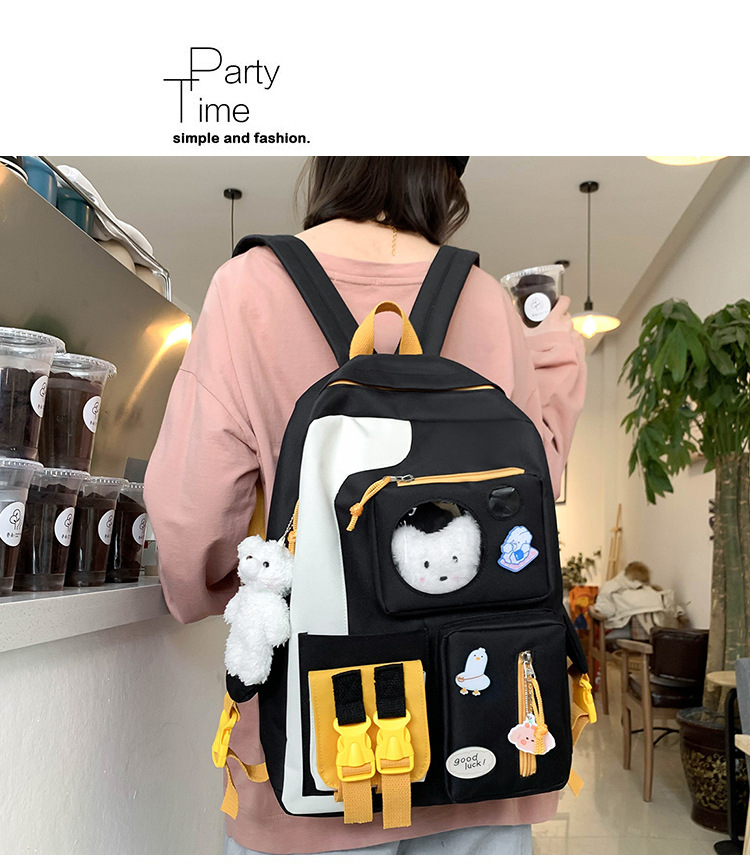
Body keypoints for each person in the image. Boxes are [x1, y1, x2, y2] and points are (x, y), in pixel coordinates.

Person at [144, 156, 587, 855]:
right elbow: (532, 501)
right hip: (486, 752)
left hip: (318, 753)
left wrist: (233, 590)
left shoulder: (249, 288)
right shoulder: (487, 301)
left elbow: (189, 529)